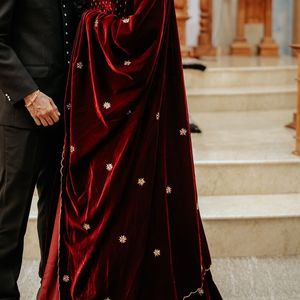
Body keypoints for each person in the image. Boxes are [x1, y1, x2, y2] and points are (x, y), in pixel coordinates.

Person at [39, 0, 222, 299]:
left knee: (131, 205)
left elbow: (138, 33)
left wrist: (91, 20)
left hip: (136, 115)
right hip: (96, 108)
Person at [0, 1, 80, 299]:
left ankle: (51, 291)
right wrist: (30, 95)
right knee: (9, 216)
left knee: (57, 217)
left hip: (66, 110)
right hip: (22, 113)